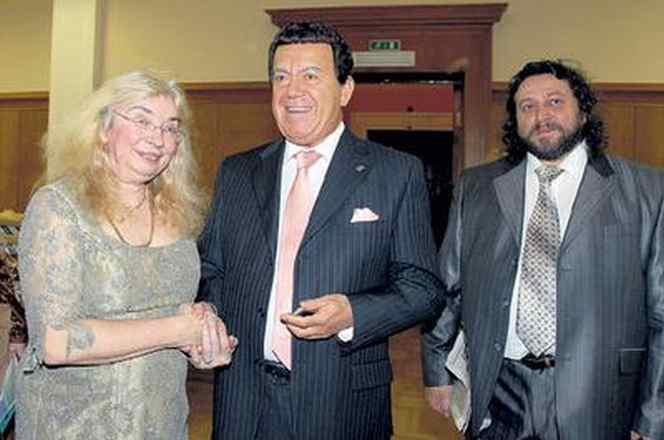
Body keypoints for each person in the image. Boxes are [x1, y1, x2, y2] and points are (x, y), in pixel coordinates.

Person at [198, 22, 445, 440]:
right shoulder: (237, 172)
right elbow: (211, 269)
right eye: (281, 77)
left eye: (310, 75)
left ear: (345, 89)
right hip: (244, 401)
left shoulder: (395, 173)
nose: (292, 91)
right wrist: (206, 313)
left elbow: (424, 288)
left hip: (342, 404)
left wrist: (354, 314)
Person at [421, 59, 663, 440]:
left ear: (583, 112)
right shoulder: (477, 187)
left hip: (600, 395)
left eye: (555, 101)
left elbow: (661, 313)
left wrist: (653, 416)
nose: (541, 116)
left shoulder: (646, 191)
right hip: (497, 388)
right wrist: (437, 370)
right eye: (527, 106)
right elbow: (447, 288)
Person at [15, 71, 236, 439]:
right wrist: (177, 330)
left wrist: (202, 336)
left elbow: (175, 309)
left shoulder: (180, 214)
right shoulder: (59, 207)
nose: (158, 138)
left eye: (170, 127)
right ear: (104, 128)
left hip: (162, 423)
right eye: (142, 120)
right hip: (74, 426)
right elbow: (55, 341)